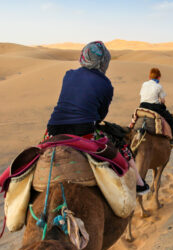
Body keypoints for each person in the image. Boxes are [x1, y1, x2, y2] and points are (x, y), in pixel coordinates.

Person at [47, 41, 149, 195]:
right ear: (104, 62)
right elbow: (101, 115)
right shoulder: (105, 84)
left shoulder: (68, 74)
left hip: (53, 129)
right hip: (84, 131)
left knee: (39, 151)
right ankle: (139, 184)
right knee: (122, 145)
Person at [139, 68, 173, 148]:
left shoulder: (144, 84)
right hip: (153, 107)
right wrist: (161, 102)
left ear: (149, 77)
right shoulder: (158, 86)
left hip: (142, 106)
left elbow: (142, 95)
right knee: (170, 119)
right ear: (159, 77)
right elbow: (162, 100)